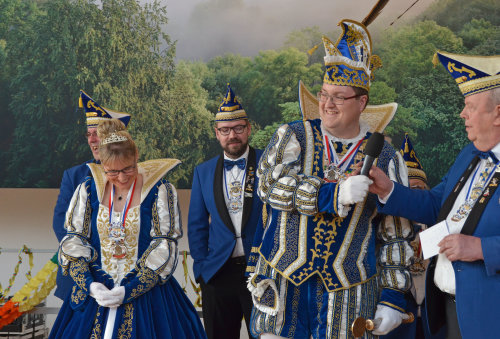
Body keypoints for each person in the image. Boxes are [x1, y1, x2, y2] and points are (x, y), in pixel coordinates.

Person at [246, 19, 414, 339]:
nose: (327, 103)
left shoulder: (387, 158)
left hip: (349, 294)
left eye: (338, 96)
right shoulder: (294, 135)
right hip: (284, 284)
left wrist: (393, 298)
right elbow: (268, 184)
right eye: (324, 94)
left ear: (361, 102)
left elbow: (396, 234)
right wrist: (330, 194)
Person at [368, 51, 500, 338]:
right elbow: (435, 203)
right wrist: (388, 189)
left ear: (498, 113)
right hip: (448, 310)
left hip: (489, 316)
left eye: (470, 107)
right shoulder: (469, 154)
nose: (462, 114)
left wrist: (480, 249)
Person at [49, 118, 206, 339]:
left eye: (128, 169)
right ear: (102, 164)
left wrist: (130, 290)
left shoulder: (160, 190)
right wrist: (89, 285)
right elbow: (74, 239)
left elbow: (164, 243)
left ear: (136, 156)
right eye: (112, 172)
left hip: (147, 294)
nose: (121, 177)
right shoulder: (87, 189)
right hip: (96, 293)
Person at [188, 84, 263, 339]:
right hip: (218, 273)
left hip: (262, 272)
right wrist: (201, 268)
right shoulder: (203, 171)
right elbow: (197, 224)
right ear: (217, 134)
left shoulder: (268, 164)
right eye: (225, 130)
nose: (233, 135)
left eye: (238, 128)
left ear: (249, 128)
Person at [52, 90, 132, 301]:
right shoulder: (74, 176)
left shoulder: (137, 176)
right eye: (89, 134)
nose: (92, 140)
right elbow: (62, 224)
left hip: (126, 275)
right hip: (82, 278)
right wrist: (88, 267)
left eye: (97, 133)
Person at [382, 133, 444, 339]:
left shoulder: (440, 225)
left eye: (417, 189)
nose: (411, 195)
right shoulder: (386, 230)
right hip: (396, 313)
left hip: (433, 316)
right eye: (405, 190)